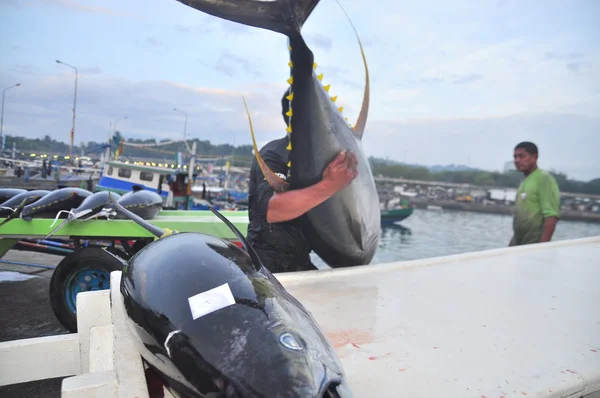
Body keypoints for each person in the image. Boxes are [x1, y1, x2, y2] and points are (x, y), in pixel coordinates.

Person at [246, 90, 359, 273]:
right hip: (265, 264)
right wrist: (330, 184)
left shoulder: (320, 161)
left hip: (301, 262)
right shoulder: (273, 154)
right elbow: (272, 210)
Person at [509, 141, 560, 246]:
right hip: (519, 244)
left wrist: (541, 248)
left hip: (533, 246)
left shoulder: (543, 178)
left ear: (535, 157)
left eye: (522, 156)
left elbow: (551, 216)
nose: (517, 160)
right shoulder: (525, 181)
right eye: (515, 157)